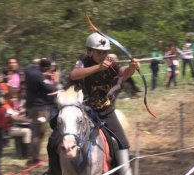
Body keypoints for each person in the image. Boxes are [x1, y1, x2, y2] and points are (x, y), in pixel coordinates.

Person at [69, 32, 139, 175]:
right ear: (90, 51)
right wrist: (98, 67)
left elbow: (124, 74)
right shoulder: (83, 62)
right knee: (61, 138)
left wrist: (132, 67)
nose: (103, 55)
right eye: (99, 52)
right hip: (85, 112)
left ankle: (125, 171)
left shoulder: (111, 63)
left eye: (105, 52)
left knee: (122, 142)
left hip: (106, 111)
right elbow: (74, 74)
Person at [24, 57, 58, 165]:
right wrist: (52, 80)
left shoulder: (30, 70)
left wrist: (45, 75)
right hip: (39, 108)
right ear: (46, 67)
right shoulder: (39, 76)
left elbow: (31, 68)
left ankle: (33, 157)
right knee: (37, 134)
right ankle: (33, 159)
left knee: (37, 133)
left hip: (32, 106)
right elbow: (51, 88)